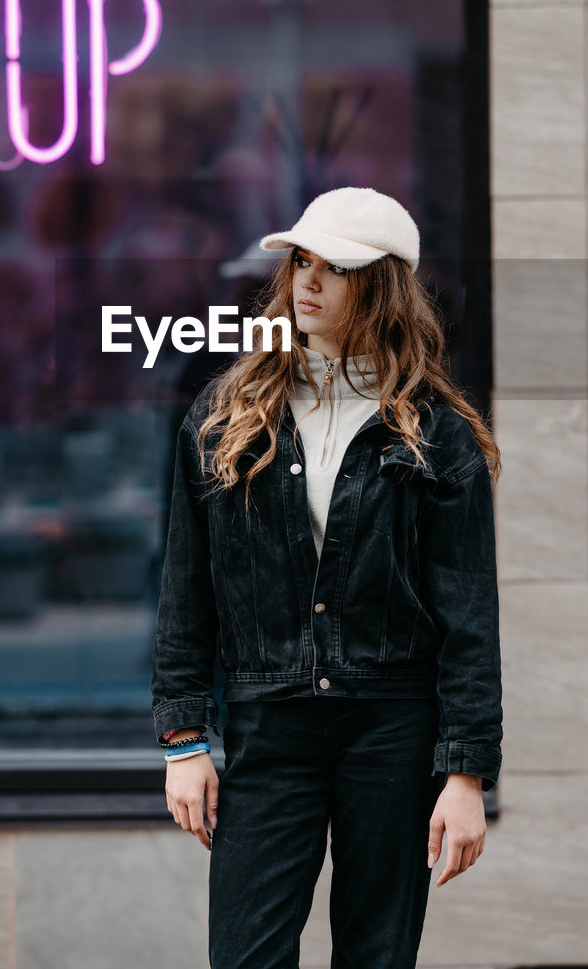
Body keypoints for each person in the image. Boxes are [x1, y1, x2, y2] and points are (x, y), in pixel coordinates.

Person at [149, 186, 503, 969]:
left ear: (378, 285)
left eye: (332, 268)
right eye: (300, 262)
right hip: (270, 722)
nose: (306, 282)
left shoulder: (437, 434)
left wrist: (467, 774)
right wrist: (182, 740)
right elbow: (186, 584)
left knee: (377, 955)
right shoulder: (225, 414)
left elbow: (469, 612)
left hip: (393, 725)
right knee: (247, 956)